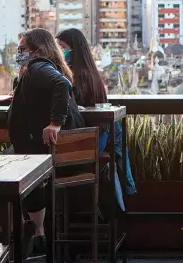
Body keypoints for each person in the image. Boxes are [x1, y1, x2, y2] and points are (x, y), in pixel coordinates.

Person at [7, 28, 85, 255]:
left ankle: (25, 233)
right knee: (20, 163)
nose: (19, 54)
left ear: (38, 50)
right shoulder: (43, 67)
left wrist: (55, 123)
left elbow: (61, 85)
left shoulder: (38, 66)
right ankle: (37, 233)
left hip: (48, 153)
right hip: (53, 151)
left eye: (22, 50)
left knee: (4, 168)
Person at [56, 27, 137, 208]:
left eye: (62, 46)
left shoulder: (72, 77)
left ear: (74, 50)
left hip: (78, 144)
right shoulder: (90, 74)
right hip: (92, 141)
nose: (59, 51)